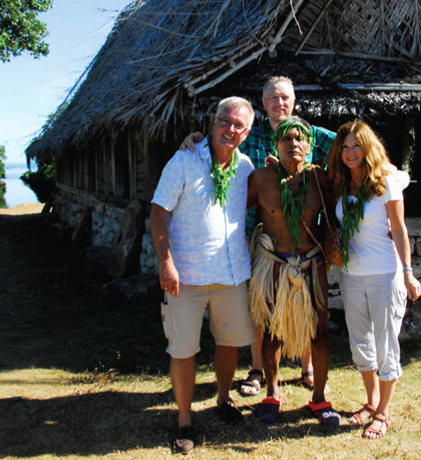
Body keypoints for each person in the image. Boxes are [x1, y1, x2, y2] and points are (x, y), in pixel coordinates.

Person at [180, 76, 335, 395]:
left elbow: (351, 145)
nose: (280, 103)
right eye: (273, 98)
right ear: (263, 103)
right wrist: (195, 139)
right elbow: (220, 147)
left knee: (307, 306)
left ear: (294, 102)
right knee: (262, 307)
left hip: (304, 243)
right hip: (258, 235)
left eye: (286, 98)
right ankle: (257, 370)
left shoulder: (311, 134)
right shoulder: (249, 135)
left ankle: (307, 368)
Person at [149, 97, 257, 454]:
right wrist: (166, 264)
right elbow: (158, 213)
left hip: (232, 273)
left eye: (239, 125)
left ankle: (223, 400)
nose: (230, 129)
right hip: (187, 275)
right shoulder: (184, 160)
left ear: (247, 132)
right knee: (183, 349)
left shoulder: (245, 167)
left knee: (229, 342)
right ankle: (183, 419)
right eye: (225, 121)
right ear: (213, 122)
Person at [326, 120, 421, 439]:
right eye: (345, 147)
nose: (351, 152)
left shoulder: (385, 182)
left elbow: (400, 229)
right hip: (351, 275)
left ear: (368, 148)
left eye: (357, 146)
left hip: (385, 274)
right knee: (360, 343)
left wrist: (408, 273)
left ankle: (383, 413)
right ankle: (371, 402)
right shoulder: (342, 184)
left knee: (385, 343)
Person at [247, 116, 340, 425]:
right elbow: (231, 206)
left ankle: (319, 399)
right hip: (274, 265)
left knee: (320, 331)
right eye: (287, 139)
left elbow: (354, 189)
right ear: (276, 145)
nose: (293, 144)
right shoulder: (261, 179)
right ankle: (272, 394)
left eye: (300, 139)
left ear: (309, 146)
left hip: (312, 266)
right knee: (273, 332)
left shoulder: (320, 180)